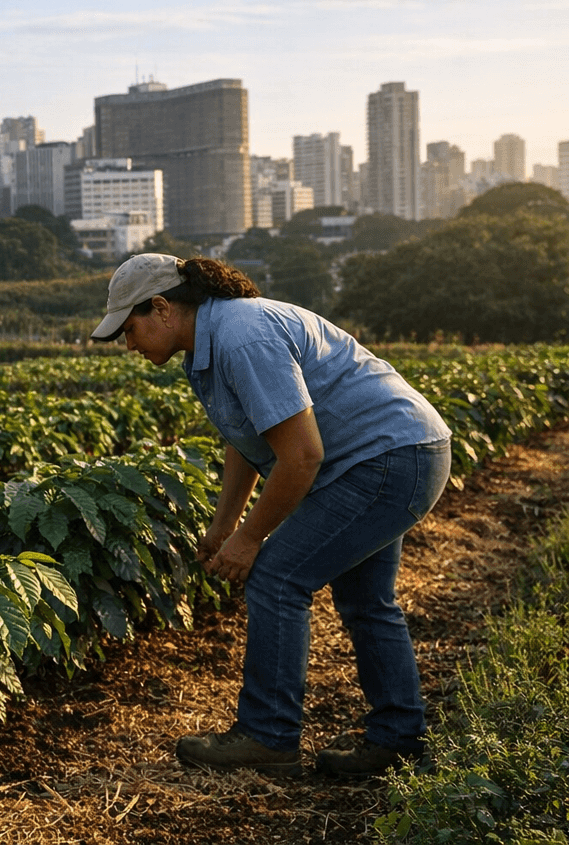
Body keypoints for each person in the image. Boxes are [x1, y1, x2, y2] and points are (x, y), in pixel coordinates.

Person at [91, 254, 451, 777]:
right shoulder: (207, 348)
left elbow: (302, 454)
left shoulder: (242, 336)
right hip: (395, 452)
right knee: (366, 600)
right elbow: (250, 438)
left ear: (163, 308)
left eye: (130, 328)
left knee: (277, 579)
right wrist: (224, 526)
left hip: (388, 459)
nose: (129, 344)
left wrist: (250, 539)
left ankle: (268, 735)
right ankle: (398, 738)